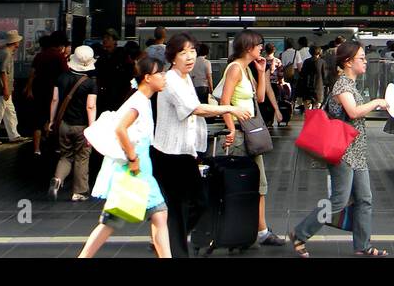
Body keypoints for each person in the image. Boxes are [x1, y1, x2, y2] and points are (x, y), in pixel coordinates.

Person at [153, 32, 254, 257]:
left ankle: (167, 237)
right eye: (183, 52)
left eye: (192, 51)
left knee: (199, 202)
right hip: (169, 154)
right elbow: (194, 108)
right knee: (180, 208)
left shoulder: (185, 77)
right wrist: (230, 109)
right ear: (172, 57)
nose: (190, 57)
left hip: (185, 153)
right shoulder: (170, 80)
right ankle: (174, 246)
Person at [289, 42, 390, 257]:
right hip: (342, 152)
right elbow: (353, 112)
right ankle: (300, 233)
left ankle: (362, 246)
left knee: (365, 199)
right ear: (347, 62)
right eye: (361, 58)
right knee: (338, 200)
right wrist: (376, 102)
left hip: (357, 152)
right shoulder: (342, 85)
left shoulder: (350, 84)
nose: (365, 61)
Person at [79, 56, 171, 258]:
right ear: (147, 77)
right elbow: (120, 128)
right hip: (134, 169)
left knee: (155, 215)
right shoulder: (138, 102)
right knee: (153, 215)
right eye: (161, 73)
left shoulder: (142, 100)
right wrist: (132, 158)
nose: (165, 77)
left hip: (138, 169)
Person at [219, 30, 287, 248]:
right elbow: (225, 102)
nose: (261, 48)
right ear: (248, 47)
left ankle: (256, 230)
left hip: (248, 132)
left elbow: (259, 98)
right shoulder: (235, 69)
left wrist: (260, 72)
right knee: (250, 183)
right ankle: (256, 231)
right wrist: (230, 128)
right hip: (240, 134)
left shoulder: (246, 69)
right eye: (259, 45)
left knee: (257, 183)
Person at [48, 44, 98, 201]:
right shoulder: (90, 83)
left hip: (64, 124)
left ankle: (57, 179)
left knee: (65, 156)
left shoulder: (61, 77)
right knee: (82, 157)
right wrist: (92, 129)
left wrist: (51, 120)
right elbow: (91, 106)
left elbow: (55, 99)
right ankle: (79, 192)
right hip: (82, 126)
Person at [26, 32, 68, 157]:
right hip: (55, 91)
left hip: (39, 90)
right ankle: (56, 146)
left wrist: (29, 89)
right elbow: (66, 74)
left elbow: (33, 73)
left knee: (38, 120)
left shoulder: (40, 56)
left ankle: (37, 149)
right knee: (55, 119)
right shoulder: (59, 57)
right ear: (60, 45)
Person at [0, 30, 26, 145]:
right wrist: (6, 89)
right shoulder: (7, 54)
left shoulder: (4, 52)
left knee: (9, 112)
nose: (19, 43)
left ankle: (14, 135)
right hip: (2, 89)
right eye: (18, 41)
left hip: (2, 89)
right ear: (14, 42)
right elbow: (3, 72)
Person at [94, 32, 125, 115]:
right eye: (104, 38)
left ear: (115, 41)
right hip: (103, 92)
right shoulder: (101, 54)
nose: (104, 40)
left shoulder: (121, 54)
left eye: (108, 38)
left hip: (118, 92)